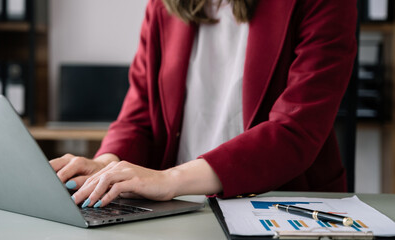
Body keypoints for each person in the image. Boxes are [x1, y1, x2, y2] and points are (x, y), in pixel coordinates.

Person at [49, 0, 357, 209]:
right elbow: (140, 113)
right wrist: (107, 165)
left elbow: (296, 129)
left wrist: (169, 179)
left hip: (281, 204)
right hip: (180, 206)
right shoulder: (163, 6)